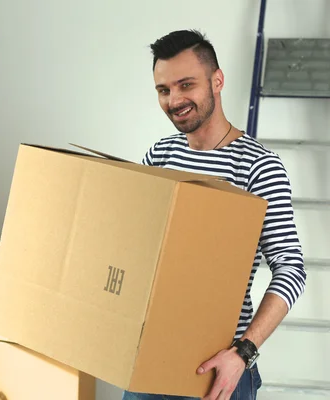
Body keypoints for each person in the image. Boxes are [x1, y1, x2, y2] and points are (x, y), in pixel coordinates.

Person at [122, 30, 306, 400]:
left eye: (186, 85)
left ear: (217, 81)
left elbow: (291, 267)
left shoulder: (258, 165)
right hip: (149, 364)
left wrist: (244, 352)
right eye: (163, 90)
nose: (175, 100)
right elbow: (135, 247)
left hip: (218, 375)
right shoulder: (160, 155)